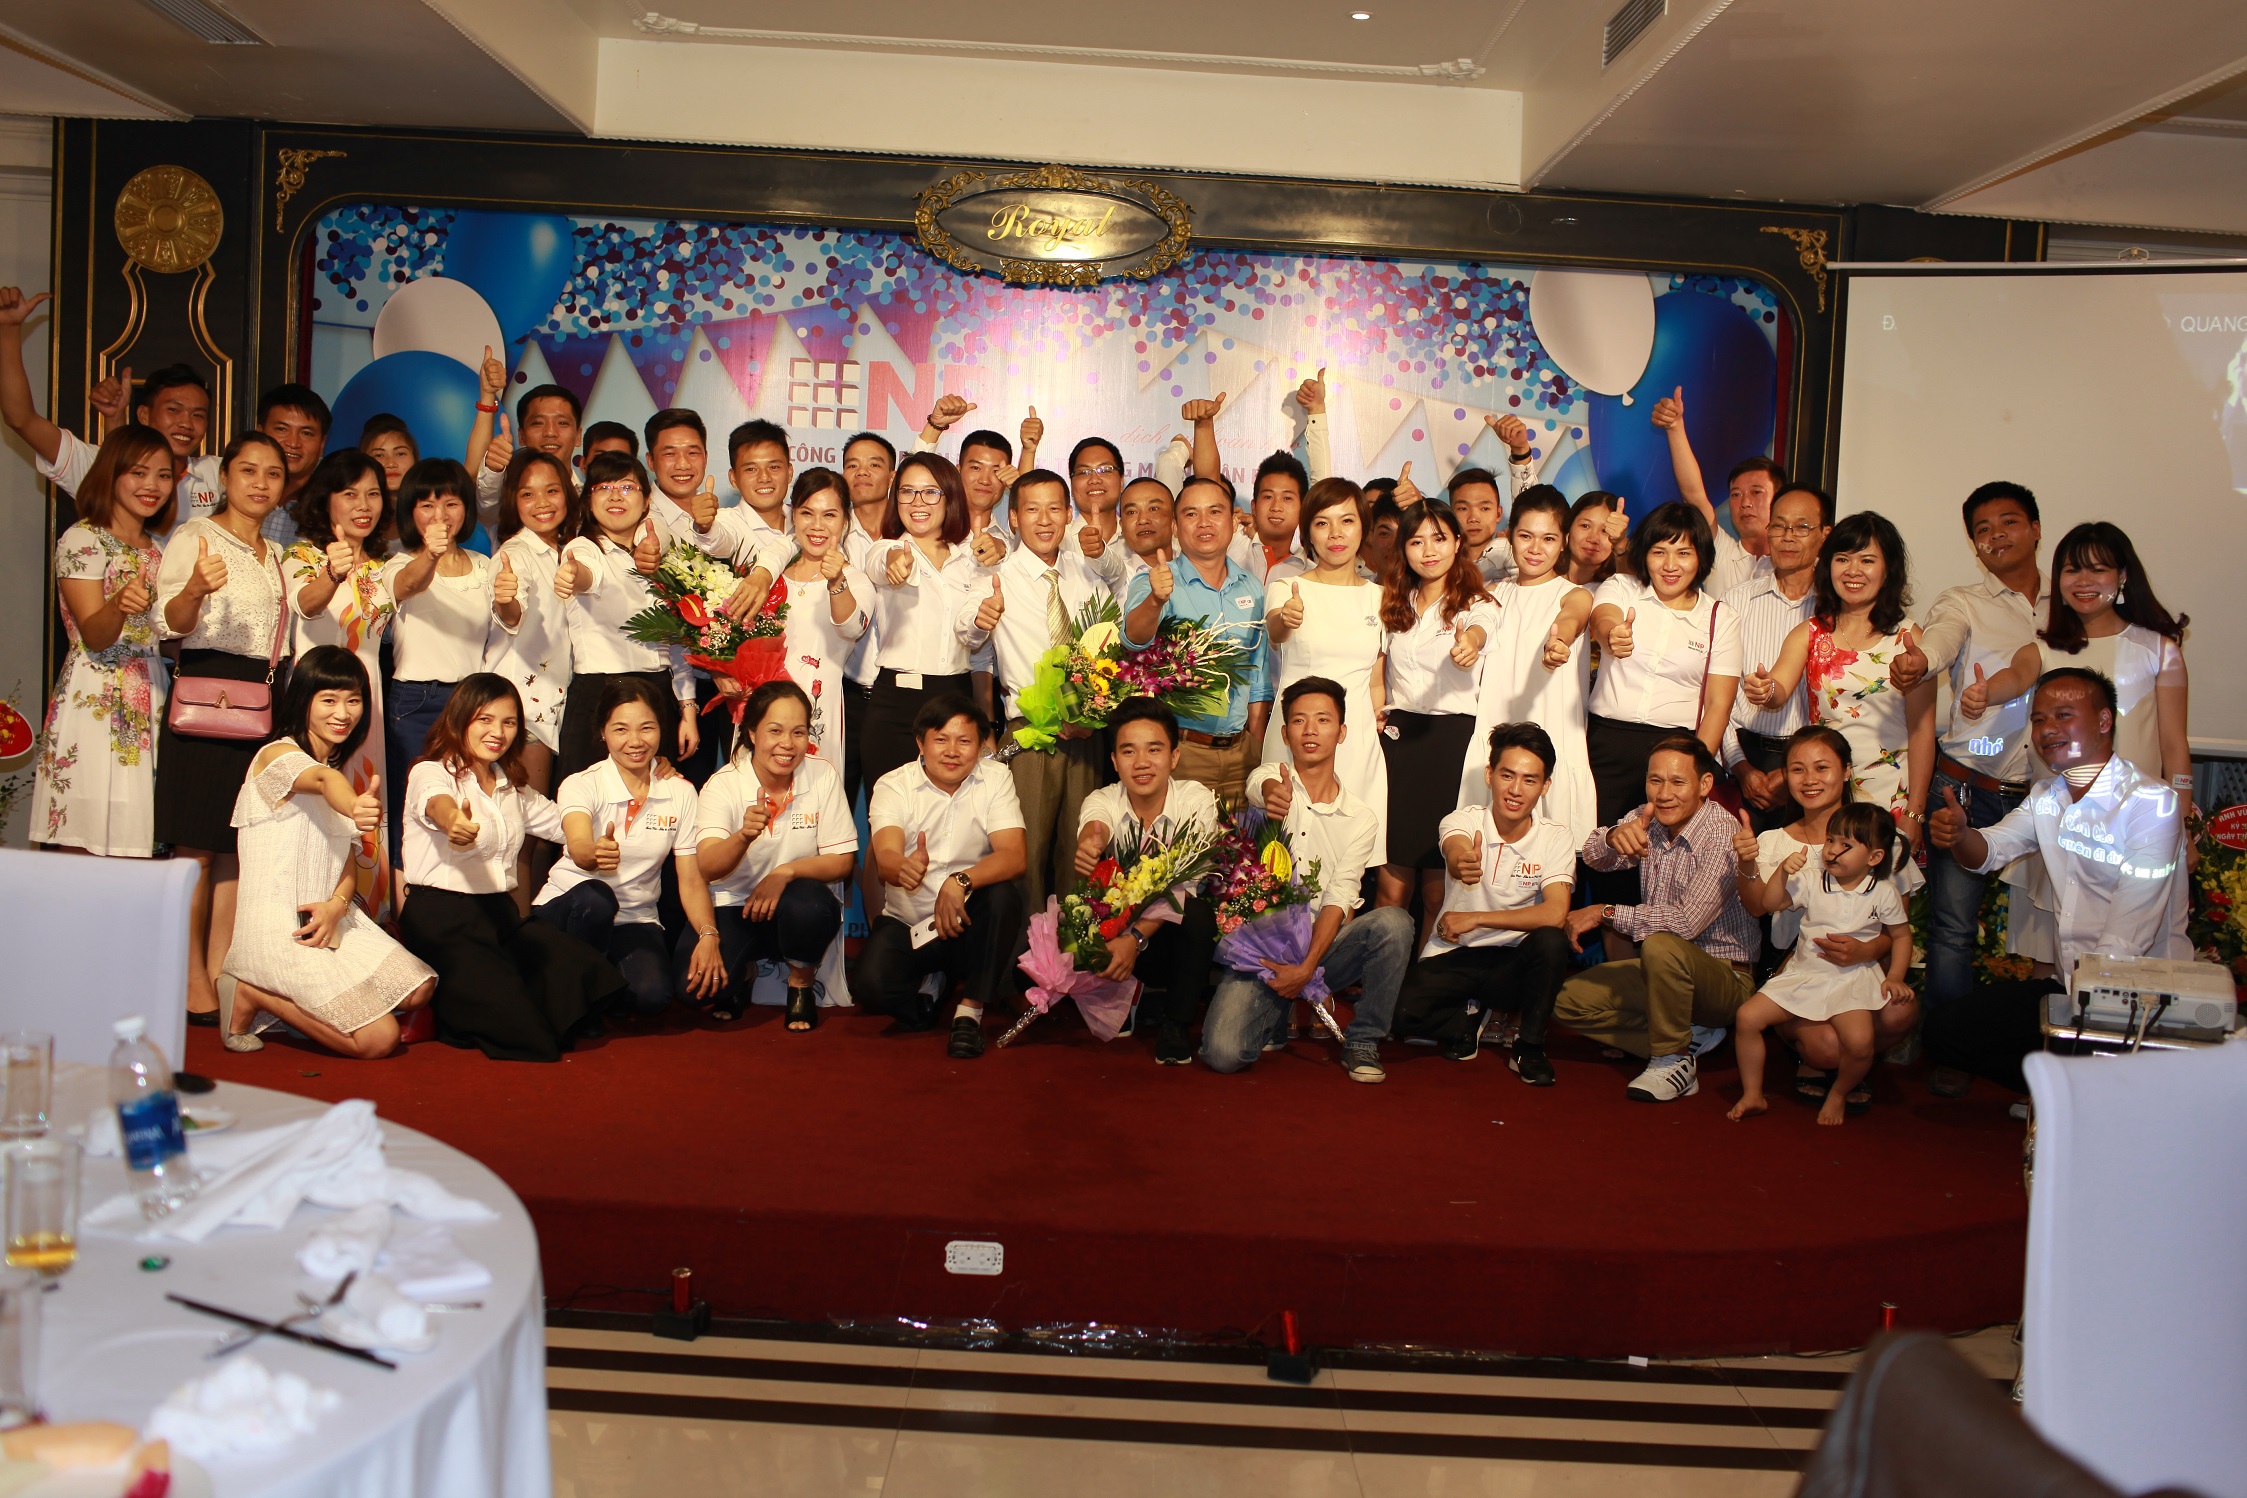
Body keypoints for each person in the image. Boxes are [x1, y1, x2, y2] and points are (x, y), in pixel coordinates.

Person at [1925, 669, 2191, 1094]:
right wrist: (1961, 836)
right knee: (1943, 1031)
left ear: (2104, 720)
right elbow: (1990, 851)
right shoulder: (2048, 796)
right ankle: (2068, 1084)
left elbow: (2128, 936)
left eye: (2063, 715)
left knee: (2094, 1067)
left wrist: (2078, 1021)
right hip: (2070, 989)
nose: (2047, 729)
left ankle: (2087, 1081)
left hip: (2140, 997)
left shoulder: (2151, 803)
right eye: (2038, 719)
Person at [1882, 481, 2048, 1061]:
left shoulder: (2073, 605)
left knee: (2052, 929)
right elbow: (1941, 643)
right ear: (1973, 543)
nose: (1996, 535)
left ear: (2035, 529)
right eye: (1983, 529)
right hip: (1968, 789)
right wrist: (1920, 661)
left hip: (2049, 794)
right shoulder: (1963, 602)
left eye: (2009, 522)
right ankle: (1949, 1051)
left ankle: (2047, 1052)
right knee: (1953, 929)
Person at [218, 646, 435, 1058]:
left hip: (331, 923)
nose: (343, 713)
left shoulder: (336, 770)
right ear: (304, 700)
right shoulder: (277, 756)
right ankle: (252, 991)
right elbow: (320, 781)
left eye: (353, 700)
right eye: (329, 700)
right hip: (281, 934)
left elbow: (347, 867)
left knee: (419, 987)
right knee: (379, 1040)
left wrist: (337, 907)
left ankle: (316, 1009)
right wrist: (353, 805)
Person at [398, 674, 626, 1062]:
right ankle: (447, 1007)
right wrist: (453, 821)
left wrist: (591, 845)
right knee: (529, 1038)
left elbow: (563, 823)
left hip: (499, 916)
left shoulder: (513, 787)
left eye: (509, 722)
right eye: (485, 719)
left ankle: (479, 999)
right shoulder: (432, 771)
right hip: (442, 920)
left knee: (583, 970)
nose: (498, 732)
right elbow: (436, 804)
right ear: (460, 719)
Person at [1207, 678, 1415, 1082]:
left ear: (1342, 732)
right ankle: (1277, 1009)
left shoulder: (1361, 818)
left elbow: (1340, 897)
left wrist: (1306, 968)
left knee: (1394, 923)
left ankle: (1363, 1039)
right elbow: (1259, 784)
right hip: (1262, 950)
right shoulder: (1275, 779)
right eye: (1300, 721)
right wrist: (1273, 793)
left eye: (1323, 720)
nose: (1311, 730)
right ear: (1285, 734)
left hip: (1322, 947)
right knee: (1223, 1055)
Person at [156, 432, 293, 1027]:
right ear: (226, 478)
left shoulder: (277, 553)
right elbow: (169, 623)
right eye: (248, 470)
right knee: (194, 846)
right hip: (206, 695)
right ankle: (188, 975)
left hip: (260, 702)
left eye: (273, 474)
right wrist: (193, 589)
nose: (260, 483)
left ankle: (221, 969)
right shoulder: (195, 536)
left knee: (236, 845)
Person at [1554, 735, 1761, 1102]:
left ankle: (1672, 1058)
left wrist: (1604, 913)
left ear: (1705, 784)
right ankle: (1686, 1035)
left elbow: (1685, 923)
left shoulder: (1721, 833)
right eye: (1655, 780)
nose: (1664, 793)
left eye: (1678, 782)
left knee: (1662, 944)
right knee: (1566, 1001)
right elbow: (1595, 858)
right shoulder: (1647, 817)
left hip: (1725, 978)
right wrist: (1613, 837)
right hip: (1661, 971)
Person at [1581, 501, 1743, 952]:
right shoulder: (1622, 588)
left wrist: (1693, 772)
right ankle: (1618, 978)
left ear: (1701, 558)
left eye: (1684, 552)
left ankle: (1659, 972)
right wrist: (1612, 634)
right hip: (1605, 748)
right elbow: (1603, 617)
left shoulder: (1720, 617)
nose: (1671, 565)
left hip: (1674, 756)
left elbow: (1718, 705)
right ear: (1644, 554)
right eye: (1659, 551)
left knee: (1661, 873)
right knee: (1610, 865)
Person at [1733, 724, 1921, 1105]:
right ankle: (1815, 1055)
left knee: (1901, 1013)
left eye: (1822, 767)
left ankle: (1855, 1062)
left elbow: (1898, 928)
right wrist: (1748, 862)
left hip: (1859, 971)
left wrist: (1865, 952)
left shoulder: (1883, 842)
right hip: (1799, 968)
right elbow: (1758, 906)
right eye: (1797, 769)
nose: (1809, 779)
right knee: (1827, 1046)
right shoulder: (1774, 841)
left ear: (1847, 770)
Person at [1741, 511, 1934, 851]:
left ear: (1888, 569)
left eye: (1867, 560)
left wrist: (1915, 813)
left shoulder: (1910, 640)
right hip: (1823, 792)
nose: (1853, 570)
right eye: (1842, 559)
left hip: (1889, 796)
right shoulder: (1810, 632)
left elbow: (1922, 732)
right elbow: (1778, 689)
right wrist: (1764, 689)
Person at [534, 676, 725, 1018]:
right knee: (596, 898)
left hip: (634, 918)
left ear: (661, 729)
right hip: (571, 909)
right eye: (621, 729)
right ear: (602, 732)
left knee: (653, 997)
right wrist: (593, 854)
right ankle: (578, 995)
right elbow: (578, 844)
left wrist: (708, 934)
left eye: (646, 728)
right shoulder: (581, 784)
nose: (635, 741)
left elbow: (691, 879)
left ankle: (595, 982)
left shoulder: (681, 792)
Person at [1395, 722, 1576, 1084]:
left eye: (1529, 780)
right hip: (1456, 953)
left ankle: (1529, 1047)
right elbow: (1456, 846)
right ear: (1490, 775)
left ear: (1545, 786)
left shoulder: (1556, 837)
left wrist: (1477, 918)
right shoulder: (1464, 819)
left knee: (1552, 942)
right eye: (1507, 775)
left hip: (1512, 960)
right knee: (1401, 1018)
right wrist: (1460, 860)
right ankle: (1470, 1018)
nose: (1515, 789)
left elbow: (1556, 912)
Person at [850, 694, 1029, 1059]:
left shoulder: (996, 779)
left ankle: (969, 1012)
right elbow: (886, 856)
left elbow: (1014, 857)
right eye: (941, 739)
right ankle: (930, 998)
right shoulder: (893, 784)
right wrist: (901, 867)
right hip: (909, 923)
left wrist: (960, 881)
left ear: (980, 746)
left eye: (964, 741)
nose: (952, 751)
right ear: (920, 743)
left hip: (968, 923)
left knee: (1002, 896)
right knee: (870, 987)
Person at [960, 468, 1106, 912]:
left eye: (1054, 509)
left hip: (1086, 736)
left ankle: (1075, 948)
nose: (1044, 520)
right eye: (1032, 509)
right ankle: (1024, 953)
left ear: (1068, 514)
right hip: (1028, 735)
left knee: (1081, 857)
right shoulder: (996, 575)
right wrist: (980, 620)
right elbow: (966, 630)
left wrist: (1095, 712)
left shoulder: (1088, 574)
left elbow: (1109, 646)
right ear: (1014, 517)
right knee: (1027, 856)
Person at [1958, 521, 2189, 792]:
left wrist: (2182, 810)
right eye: (2072, 570)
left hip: (2135, 811)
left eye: (2098, 570)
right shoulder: (2042, 649)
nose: (2083, 581)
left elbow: (2174, 746)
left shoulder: (2159, 651)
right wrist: (1985, 693)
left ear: (2122, 576)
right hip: (2054, 810)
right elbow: (2016, 677)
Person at [31, 425, 173, 856]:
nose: (152, 486)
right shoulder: (83, 538)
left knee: (141, 838)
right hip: (96, 692)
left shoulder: (161, 549)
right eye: (139, 472)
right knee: (87, 833)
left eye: (164, 475)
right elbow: (94, 635)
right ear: (111, 473)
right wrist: (119, 604)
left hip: (151, 690)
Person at [688, 681, 856, 1029]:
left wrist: (784, 873)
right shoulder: (723, 784)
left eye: (798, 732)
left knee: (812, 904)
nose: (787, 744)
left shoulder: (822, 774)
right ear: (752, 732)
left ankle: (800, 984)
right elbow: (708, 867)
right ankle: (744, 972)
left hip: (792, 905)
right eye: (775, 731)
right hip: (734, 906)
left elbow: (842, 861)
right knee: (694, 991)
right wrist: (743, 836)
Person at [1071, 699, 1223, 1065]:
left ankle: (1176, 1023)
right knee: (1079, 912)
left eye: (1154, 749)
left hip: (1175, 942)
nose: (1141, 762)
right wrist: (1091, 843)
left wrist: (1134, 939)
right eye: (1129, 751)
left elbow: (1185, 883)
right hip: (1123, 934)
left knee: (1196, 913)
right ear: (1114, 761)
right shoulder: (1103, 798)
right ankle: (1123, 991)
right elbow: (1095, 824)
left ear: (1174, 756)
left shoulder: (1196, 800)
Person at [381, 458, 521, 851]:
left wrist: (507, 597)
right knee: (414, 806)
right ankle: (405, 887)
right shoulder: (398, 563)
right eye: (427, 505)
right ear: (410, 511)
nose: (440, 515)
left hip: (470, 706)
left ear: (466, 508)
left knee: (468, 805)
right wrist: (430, 553)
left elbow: (510, 620)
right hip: (414, 702)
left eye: (451, 503)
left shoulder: (484, 565)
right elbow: (407, 585)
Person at [281, 451, 398, 913]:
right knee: (315, 806)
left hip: (368, 705)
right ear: (326, 500)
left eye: (373, 493)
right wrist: (332, 572)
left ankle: (363, 915)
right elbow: (306, 604)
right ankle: (307, 911)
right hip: (318, 700)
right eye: (350, 494)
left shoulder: (382, 566)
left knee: (365, 806)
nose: (363, 505)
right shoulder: (302, 555)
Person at [0, 286, 218, 526]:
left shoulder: (216, 474)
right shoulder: (98, 465)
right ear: (144, 415)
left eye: (198, 415)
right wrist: (9, 330)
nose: (186, 423)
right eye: (173, 410)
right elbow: (21, 419)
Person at [1373, 500, 1497, 918]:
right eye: (1417, 541)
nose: (1429, 550)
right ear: (1403, 549)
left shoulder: (1478, 603)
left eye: (1439, 538)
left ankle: (1429, 960)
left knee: (1436, 891)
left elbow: (1480, 631)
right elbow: (1377, 672)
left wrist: (1469, 643)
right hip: (1398, 743)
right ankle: (1384, 958)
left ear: (1458, 542)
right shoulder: (1393, 602)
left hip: (1452, 745)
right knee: (1391, 885)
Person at [1123, 476, 1273, 804]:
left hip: (1242, 755)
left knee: (1244, 838)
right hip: (1180, 753)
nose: (1204, 522)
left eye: (1214, 512)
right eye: (1191, 514)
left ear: (1233, 521)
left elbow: (1258, 676)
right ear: (1175, 527)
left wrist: (1257, 751)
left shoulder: (1251, 586)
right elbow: (1133, 639)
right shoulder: (1155, 579)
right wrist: (1155, 600)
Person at [1462, 486, 1596, 848]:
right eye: (1526, 536)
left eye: (1548, 538)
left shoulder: (1575, 593)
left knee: (1552, 863)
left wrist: (1559, 641)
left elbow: (1572, 618)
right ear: (1509, 536)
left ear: (1564, 541)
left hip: (1555, 736)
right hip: (1496, 738)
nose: (1536, 548)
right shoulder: (1492, 595)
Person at [1264, 477, 1388, 865]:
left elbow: (1376, 680)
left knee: (1351, 866)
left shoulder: (1380, 597)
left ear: (1363, 528)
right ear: (1308, 533)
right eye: (1322, 522)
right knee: (1284, 864)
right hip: (1297, 738)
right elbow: (1275, 630)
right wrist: (1286, 618)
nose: (1336, 533)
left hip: (1357, 744)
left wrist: (1377, 717)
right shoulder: (1286, 587)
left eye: (1347, 521)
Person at [554, 450, 699, 782]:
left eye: (627, 487)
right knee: (589, 799)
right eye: (603, 487)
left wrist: (688, 709)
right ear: (588, 500)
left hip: (657, 693)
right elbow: (587, 575)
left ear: (647, 500)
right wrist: (572, 575)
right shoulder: (582, 548)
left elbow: (676, 640)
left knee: (657, 800)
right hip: (599, 694)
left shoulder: (664, 557)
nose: (615, 496)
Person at [860, 453, 995, 795]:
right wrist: (894, 561)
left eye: (930, 492)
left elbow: (969, 635)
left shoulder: (972, 557)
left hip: (956, 700)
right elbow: (880, 562)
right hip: (894, 705)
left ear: (950, 497)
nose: (918, 502)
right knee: (889, 816)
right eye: (907, 491)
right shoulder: (885, 547)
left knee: (952, 815)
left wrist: (981, 621)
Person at [484, 447, 581, 900]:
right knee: (522, 837)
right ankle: (518, 930)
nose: (542, 502)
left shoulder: (570, 550)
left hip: (558, 705)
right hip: (525, 711)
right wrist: (506, 600)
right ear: (513, 501)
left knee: (543, 837)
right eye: (528, 494)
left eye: (551, 491)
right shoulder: (516, 553)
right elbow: (511, 610)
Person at [1722, 485, 1831, 834]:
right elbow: (1713, 696)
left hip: (1815, 767)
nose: (1787, 536)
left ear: (1825, 535)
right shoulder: (1735, 602)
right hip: (1741, 758)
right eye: (1779, 525)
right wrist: (1739, 766)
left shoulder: (1836, 610)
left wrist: (1792, 773)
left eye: (1801, 527)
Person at [767, 468, 869, 768]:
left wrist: (836, 581)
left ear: (845, 521)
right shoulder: (770, 576)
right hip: (764, 707)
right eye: (807, 513)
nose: (817, 526)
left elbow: (852, 627)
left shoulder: (856, 581)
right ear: (793, 516)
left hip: (819, 709)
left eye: (829, 515)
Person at [1649, 386, 1780, 599]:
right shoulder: (1721, 552)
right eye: (1736, 494)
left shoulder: (1795, 564)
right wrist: (1674, 427)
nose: (1745, 503)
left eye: (1756, 492)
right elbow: (1694, 495)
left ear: (1780, 500)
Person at [473, 380, 582, 535]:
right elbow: (486, 509)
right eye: (538, 423)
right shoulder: (506, 492)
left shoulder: (591, 498)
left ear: (578, 436)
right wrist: (493, 469)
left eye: (562, 423)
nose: (550, 432)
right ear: (521, 435)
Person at [247, 384, 333, 547]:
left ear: (322, 443)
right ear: (260, 433)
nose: (293, 443)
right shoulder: (234, 489)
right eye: (282, 429)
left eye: (306, 433)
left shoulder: (330, 506)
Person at [1564, 491, 1627, 587]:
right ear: (1569, 526)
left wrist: (1621, 544)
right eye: (1585, 526)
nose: (1593, 539)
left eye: (1605, 531)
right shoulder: (1543, 577)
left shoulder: (1615, 588)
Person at [357, 414, 418, 511]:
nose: (391, 464)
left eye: (400, 454)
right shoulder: (358, 510)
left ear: (415, 458)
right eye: (379, 455)